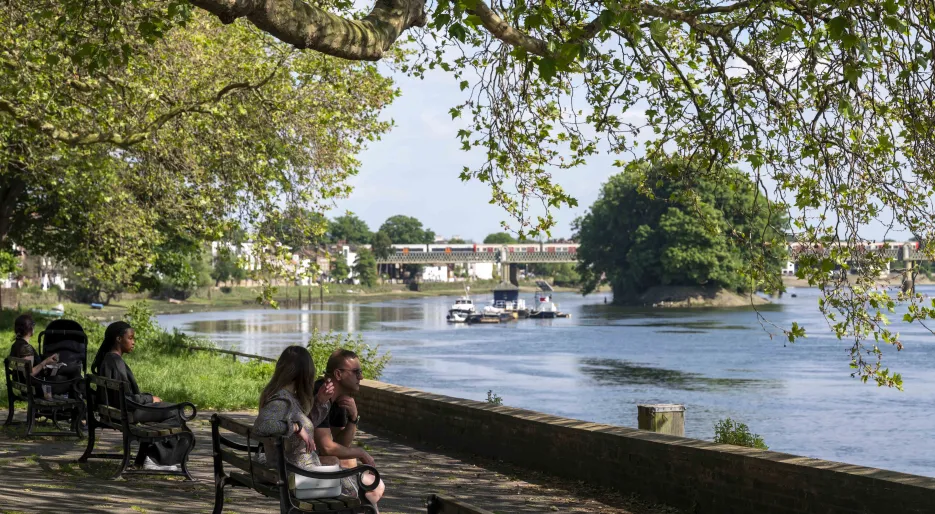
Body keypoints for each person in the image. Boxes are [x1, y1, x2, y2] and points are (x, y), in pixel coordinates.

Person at [254, 346, 383, 506]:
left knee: (362, 477)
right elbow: (262, 426)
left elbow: (307, 428)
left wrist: (320, 403)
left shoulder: (287, 398)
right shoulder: (282, 400)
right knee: (374, 486)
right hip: (302, 474)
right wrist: (296, 427)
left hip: (300, 472)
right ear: (305, 373)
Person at [90, 321, 191, 471]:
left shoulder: (109, 359)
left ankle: (151, 457)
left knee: (171, 409)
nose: (133, 342)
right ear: (118, 339)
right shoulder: (115, 362)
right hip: (126, 412)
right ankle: (154, 459)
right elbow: (126, 399)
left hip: (117, 410)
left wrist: (148, 398)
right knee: (176, 412)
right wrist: (150, 399)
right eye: (130, 338)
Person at [313, 349, 385, 506]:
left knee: (351, 463)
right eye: (356, 372)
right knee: (374, 487)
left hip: (308, 463)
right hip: (296, 467)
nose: (361, 377)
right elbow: (327, 448)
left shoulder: (339, 399)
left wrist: (353, 418)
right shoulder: (321, 395)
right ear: (338, 375)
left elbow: (341, 444)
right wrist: (360, 452)